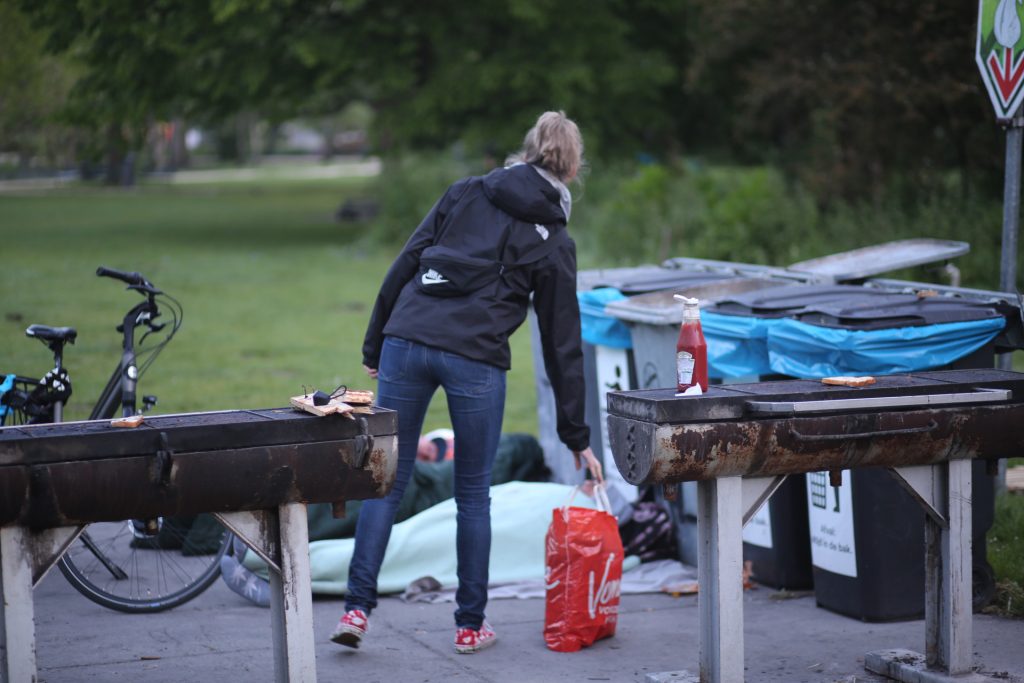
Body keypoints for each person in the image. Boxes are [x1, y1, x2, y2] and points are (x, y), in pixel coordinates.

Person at [330, 110, 603, 654]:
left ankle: (356, 610)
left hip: (406, 338)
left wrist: (374, 343)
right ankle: (470, 625)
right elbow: (562, 344)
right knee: (473, 494)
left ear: (526, 152)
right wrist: (577, 435)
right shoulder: (555, 240)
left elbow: (407, 260)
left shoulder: (466, 191)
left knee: (387, 481)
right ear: (571, 171)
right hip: (475, 359)